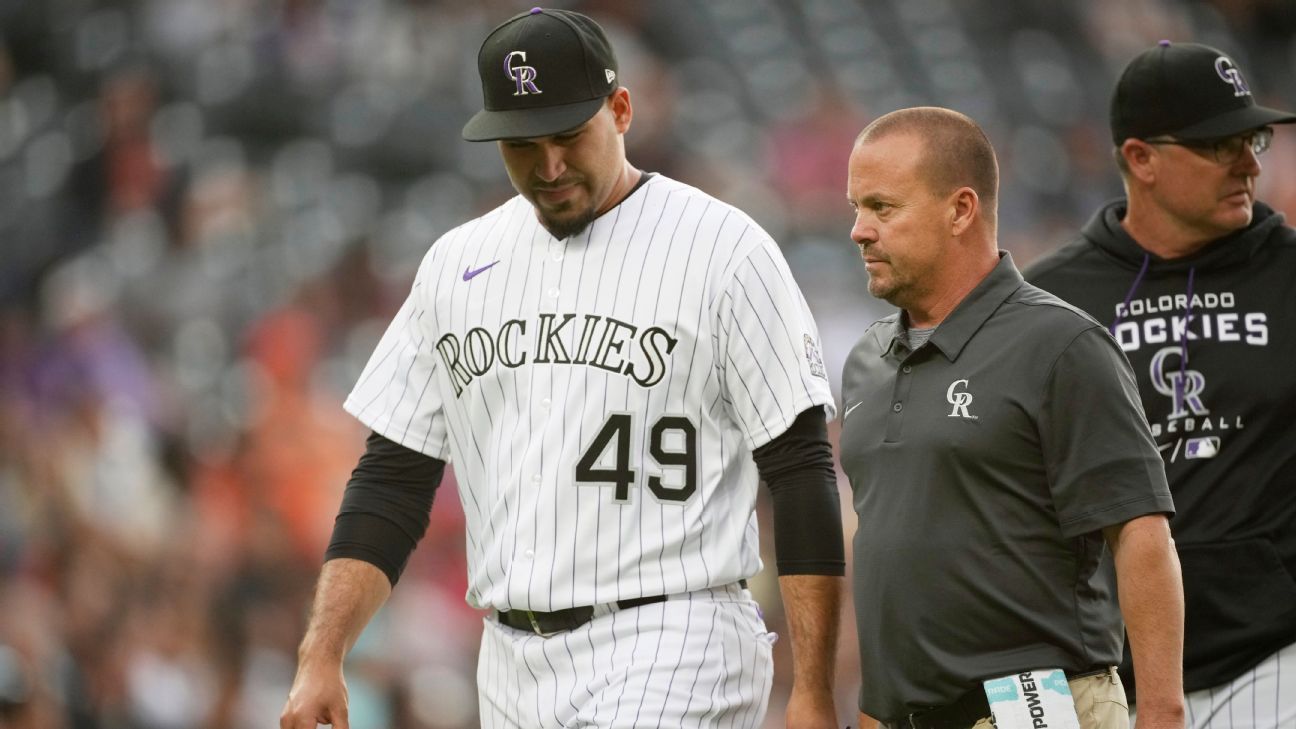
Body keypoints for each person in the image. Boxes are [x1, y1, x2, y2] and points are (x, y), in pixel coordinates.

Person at [279, 8, 846, 729]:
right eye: (522, 144)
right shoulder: (456, 265)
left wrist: (813, 688)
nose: (548, 167)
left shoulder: (724, 249)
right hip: (509, 660)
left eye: (568, 136)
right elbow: (393, 477)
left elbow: (800, 467)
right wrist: (322, 651)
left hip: (675, 636)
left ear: (621, 109)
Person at [839, 107, 1185, 729]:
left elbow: (1140, 532)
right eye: (856, 208)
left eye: (882, 208)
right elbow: (890, 554)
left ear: (961, 209)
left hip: (1036, 707)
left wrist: (1161, 711)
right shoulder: (867, 359)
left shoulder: (1061, 345)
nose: (860, 231)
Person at [1024, 41, 1296, 727]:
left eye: (1253, 138)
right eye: (1218, 144)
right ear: (1140, 159)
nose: (1250, 163)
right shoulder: (1053, 297)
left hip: (1271, 649)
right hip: (1102, 666)